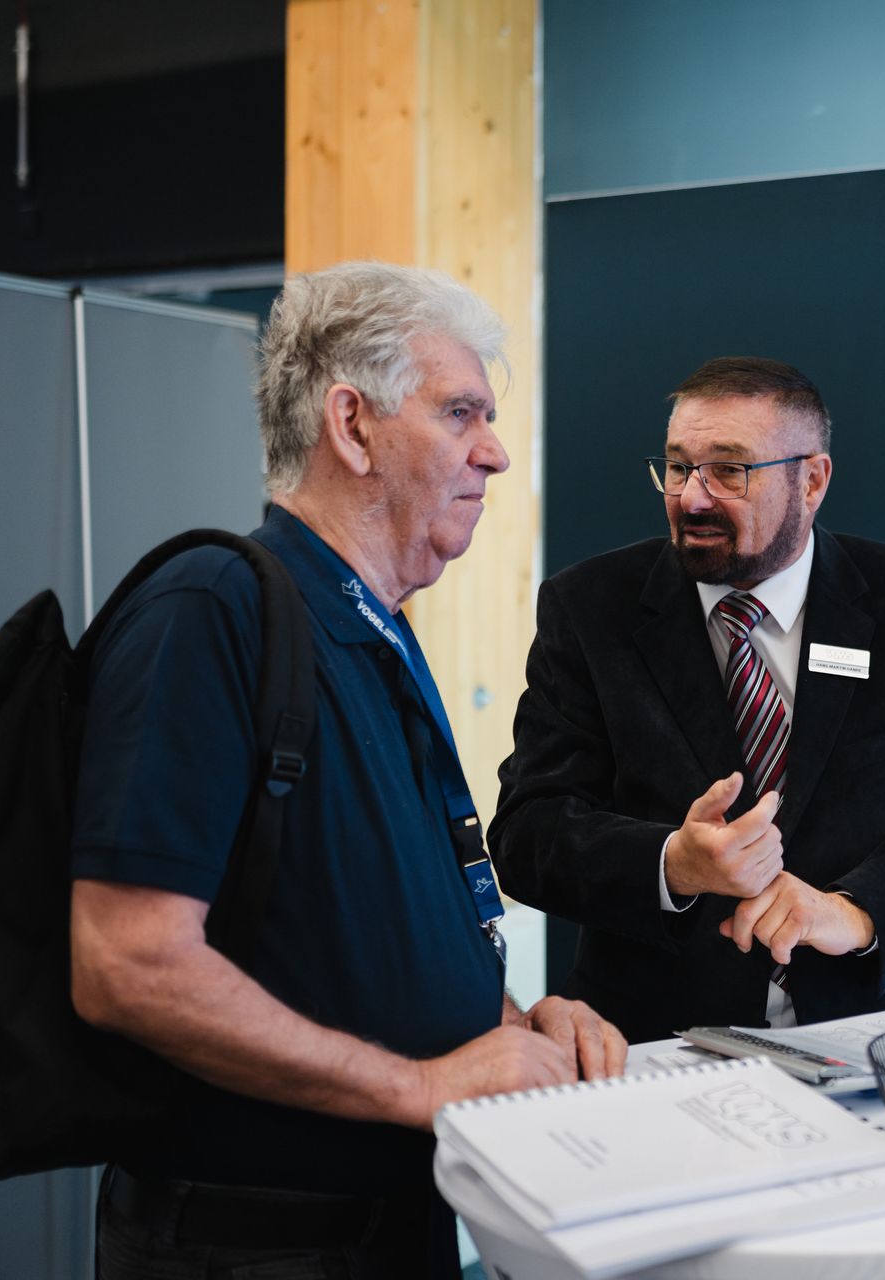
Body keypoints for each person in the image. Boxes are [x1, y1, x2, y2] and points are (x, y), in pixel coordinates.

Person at [69, 262, 626, 1279]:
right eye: (460, 413)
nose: (495, 452)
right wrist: (422, 1086)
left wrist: (516, 1030)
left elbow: (357, 931)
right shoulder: (214, 608)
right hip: (253, 1243)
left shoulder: (373, 629)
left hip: (389, 1224)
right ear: (353, 425)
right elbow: (127, 965)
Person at [490, 356, 885, 1045]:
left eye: (729, 470)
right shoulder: (591, 608)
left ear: (812, 481)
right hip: (655, 1042)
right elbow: (527, 832)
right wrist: (672, 864)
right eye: (678, 467)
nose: (692, 498)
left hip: (867, 1035)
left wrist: (857, 913)